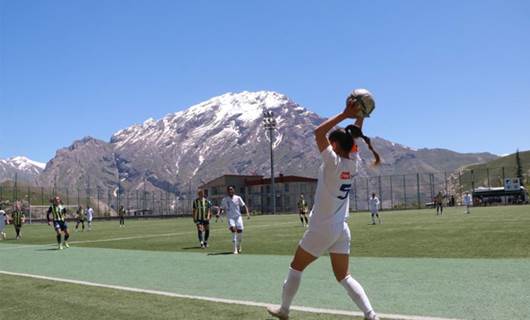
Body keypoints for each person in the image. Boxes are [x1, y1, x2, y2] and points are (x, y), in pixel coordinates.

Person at [267, 97, 381, 320]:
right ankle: (371, 315)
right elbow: (353, 137)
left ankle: (284, 310)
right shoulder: (353, 162)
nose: (327, 145)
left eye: (331, 143)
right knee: (344, 276)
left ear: (336, 146)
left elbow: (318, 133)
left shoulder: (333, 162)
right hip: (341, 228)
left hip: (322, 227)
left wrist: (344, 115)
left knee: (296, 267)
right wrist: (359, 116)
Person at [220, 185, 250, 254]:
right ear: (227, 191)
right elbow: (221, 208)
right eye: (229, 190)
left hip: (238, 217)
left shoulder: (238, 198)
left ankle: (239, 245)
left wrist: (247, 213)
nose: (230, 191)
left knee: (240, 231)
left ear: (234, 190)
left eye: (231, 189)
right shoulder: (225, 199)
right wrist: (219, 214)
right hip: (230, 218)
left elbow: (244, 205)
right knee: (233, 230)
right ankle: (235, 249)